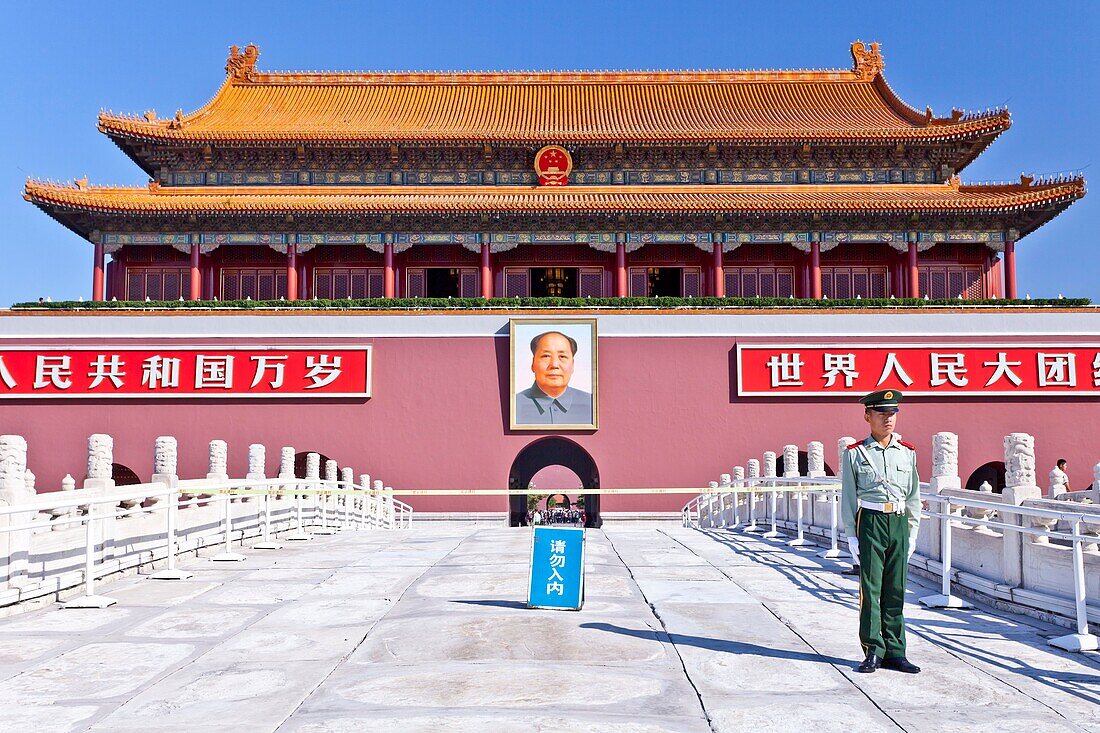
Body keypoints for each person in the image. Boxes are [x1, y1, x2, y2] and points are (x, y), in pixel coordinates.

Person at [841, 389, 921, 675]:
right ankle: (873, 649)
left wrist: (912, 532)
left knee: (896, 588)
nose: (888, 419)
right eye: (882, 413)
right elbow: (848, 496)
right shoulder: (855, 454)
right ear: (867, 416)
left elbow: (913, 496)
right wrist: (851, 534)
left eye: (892, 413)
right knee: (871, 589)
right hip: (871, 521)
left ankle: (896, 651)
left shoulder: (908, 452)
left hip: (898, 521)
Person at [515, 331, 593, 425]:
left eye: (562, 356)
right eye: (546, 356)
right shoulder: (513, 405)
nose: (554, 365)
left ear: (572, 365)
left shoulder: (593, 405)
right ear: (533, 363)